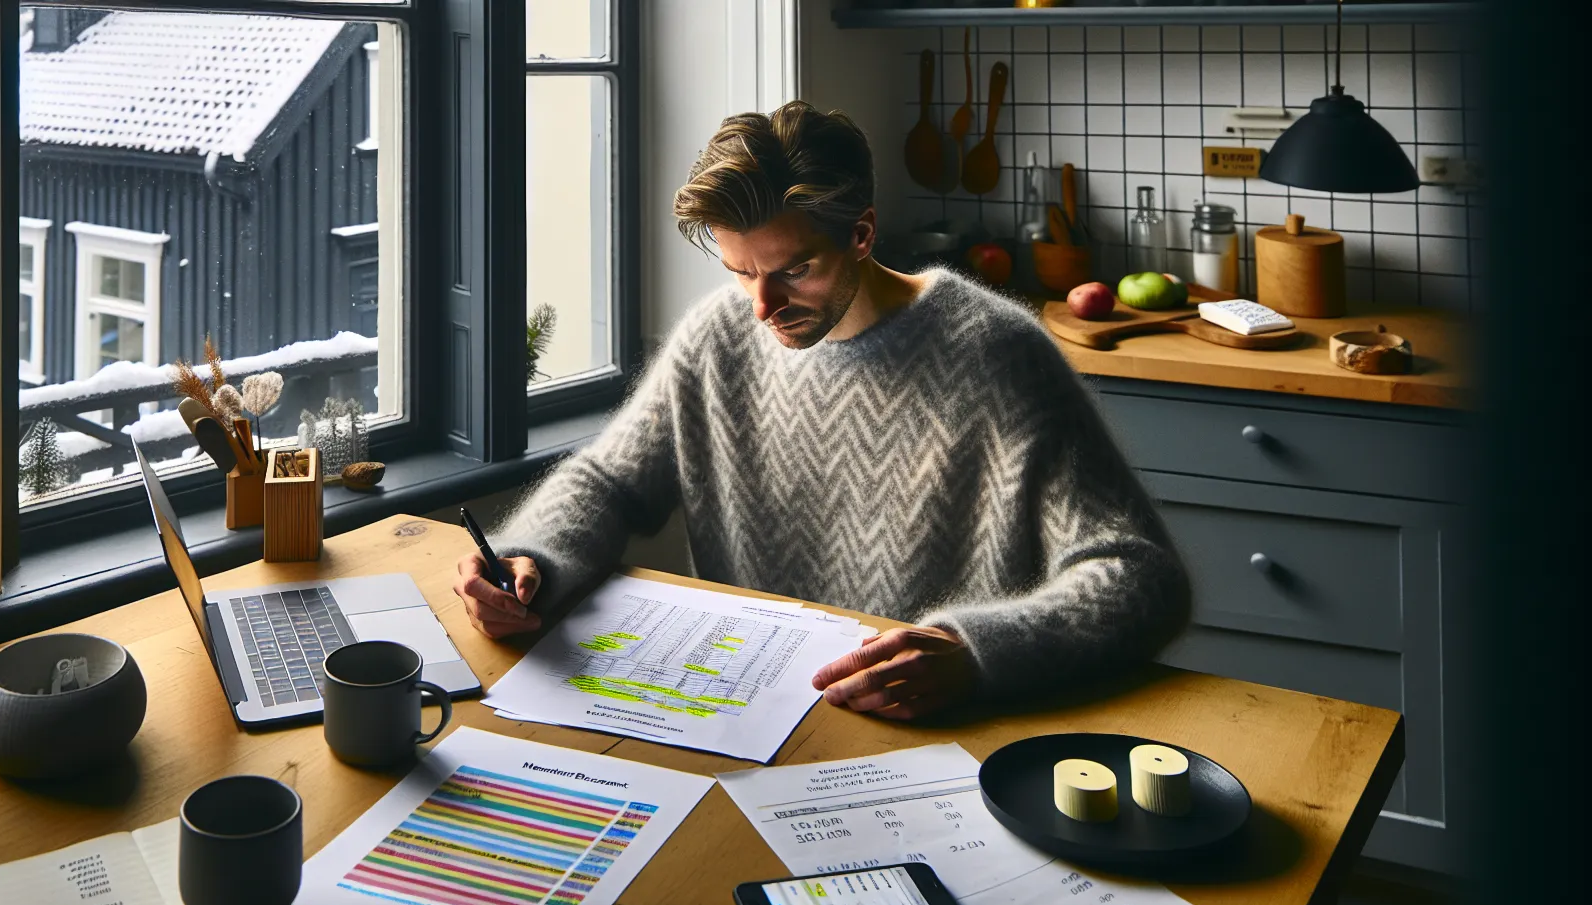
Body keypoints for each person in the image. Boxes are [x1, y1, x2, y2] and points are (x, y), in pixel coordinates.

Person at [454, 101, 1188, 720]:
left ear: (861, 234)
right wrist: (533, 559)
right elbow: (607, 482)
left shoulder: (998, 352)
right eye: (740, 272)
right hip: (747, 714)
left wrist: (975, 652)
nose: (762, 307)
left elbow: (1138, 575)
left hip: (933, 729)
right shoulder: (717, 337)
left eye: (794, 271)